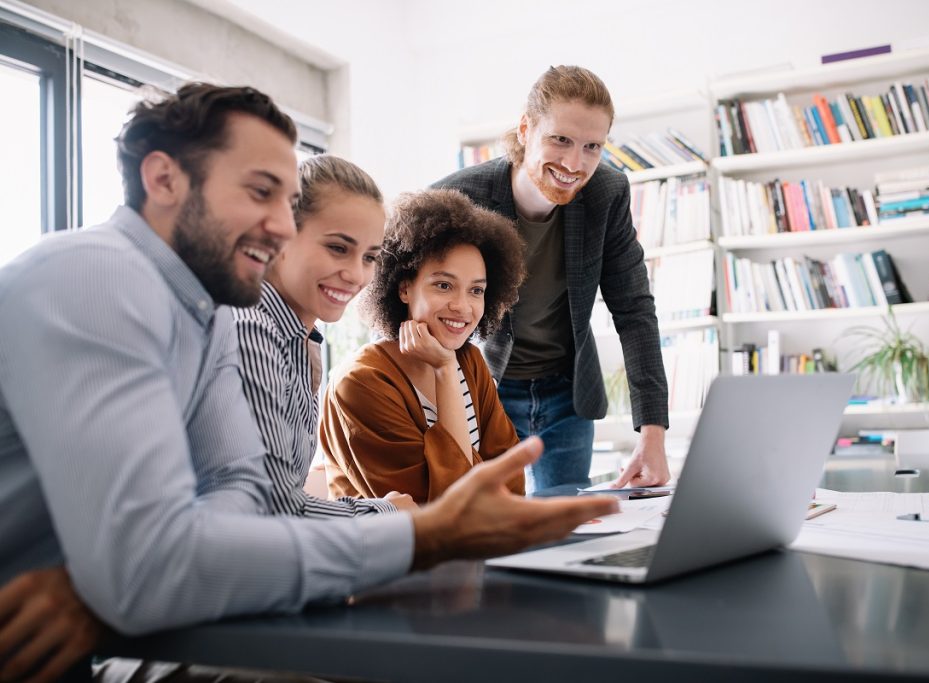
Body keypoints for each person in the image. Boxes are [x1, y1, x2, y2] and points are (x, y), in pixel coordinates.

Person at [0, 82, 617, 683]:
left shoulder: (206, 313)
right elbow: (158, 565)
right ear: (163, 180)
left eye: (287, 203)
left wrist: (156, 561)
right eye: (261, 194)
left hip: (121, 625)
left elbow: (246, 498)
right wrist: (413, 536)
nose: (278, 226)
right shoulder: (97, 277)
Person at [431, 65, 670, 491]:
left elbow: (634, 310)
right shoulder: (458, 199)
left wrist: (652, 434)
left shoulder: (607, 194)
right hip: (485, 388)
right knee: (489, 525)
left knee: (566, 531)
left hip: (567, 395)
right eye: (560, 139)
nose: (575, 164)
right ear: (525, 129)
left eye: (592, 146)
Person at [233, 153, 414, 517]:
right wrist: (387, 513)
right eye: (338, 248)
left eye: (369, 257)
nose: (355, 275)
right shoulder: (251, 330)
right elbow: (272, 509)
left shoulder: (297, 337)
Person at [320, 189, 526, 504]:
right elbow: (439, 511)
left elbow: (511, 479)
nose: (462, 306)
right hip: (394, 552)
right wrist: (445, 370)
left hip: (480, 546)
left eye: (476, 290)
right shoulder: (360, 383)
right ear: (404, 288)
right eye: (443, 285)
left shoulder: (469, 360)